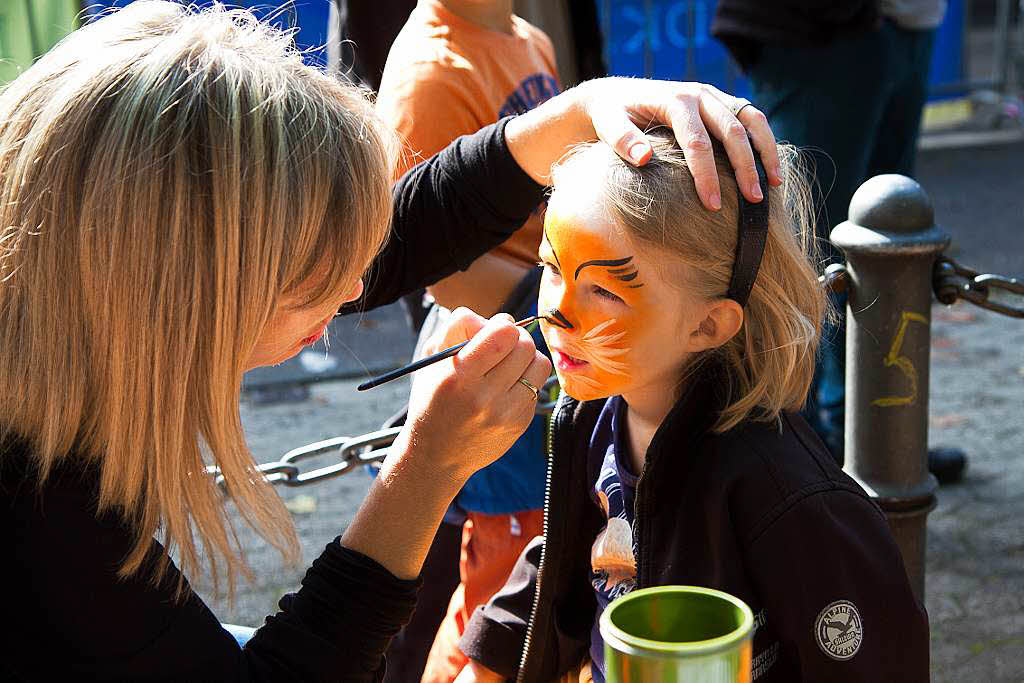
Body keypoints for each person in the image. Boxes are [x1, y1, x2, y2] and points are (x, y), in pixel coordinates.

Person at [0, 2, 780, 680]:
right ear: (182, 296)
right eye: (316, 275)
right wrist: (424, 470)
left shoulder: (60, 303)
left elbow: (386, 239)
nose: (353, 293)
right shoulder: (37, 509)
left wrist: (575, 116)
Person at [455, 132, 929, 682]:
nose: (557, 312)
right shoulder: (594, 421)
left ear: (707, 324)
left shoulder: (787, 496)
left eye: (605, 291)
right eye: (553, 268)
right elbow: (572, 559)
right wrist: (489, 660)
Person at [375, 2, 560, 680]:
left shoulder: (529, 37)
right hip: (500, 356)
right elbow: (442, 274)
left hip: (551, 341)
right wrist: (576, 292)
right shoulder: (430, 74)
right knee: (502, 602)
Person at [711, 0, 966, 482]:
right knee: (802, 245)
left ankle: (882, 438)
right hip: (818, 30)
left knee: (889, 230)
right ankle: (790, 453)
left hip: (912, 21)